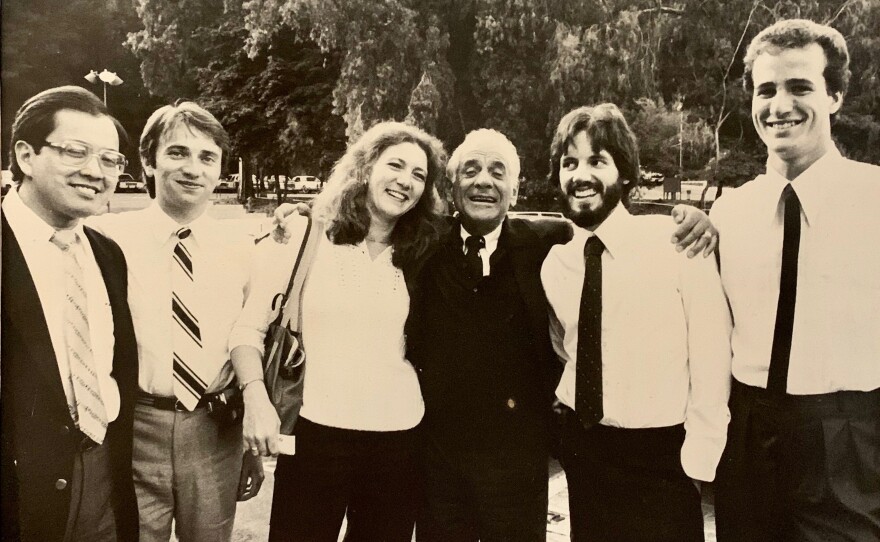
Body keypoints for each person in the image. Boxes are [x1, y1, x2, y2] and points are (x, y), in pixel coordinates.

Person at [405, 127, 721, 542]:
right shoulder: (423, 247)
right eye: (471, 170)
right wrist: (299, 217)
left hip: (541, 466)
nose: (484, 181)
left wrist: (701, 219)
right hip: (448, 463)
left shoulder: (548, 245)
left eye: (498, 172)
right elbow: (566, 344)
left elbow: (713, 351)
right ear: (451, 186)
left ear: (515, 193)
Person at [230, 121, 448, 541]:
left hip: (399, 440)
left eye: (419, 175)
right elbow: (248, 328)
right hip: (315, 435)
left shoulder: (427, 252)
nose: (405, 181)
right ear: (366, 167)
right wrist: (255, 396)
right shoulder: (305, 234)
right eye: (396, 165)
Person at [711, 19, 880, 541]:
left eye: (800, 86)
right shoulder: (728, 212)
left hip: (845, 436)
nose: (780, 105)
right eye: (766, 90)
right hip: (748, 434)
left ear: (834, 96)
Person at [540, 103, 732, 541]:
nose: (580, 175)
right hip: (585, 449)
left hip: (662, 458)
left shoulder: (675, 244)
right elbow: (564, 347)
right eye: (569, 164)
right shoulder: (556, 264)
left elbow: (712, 354)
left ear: (624, 173)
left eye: (597, 161)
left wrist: (699, 461)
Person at [86, 101, 266, 542]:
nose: (193, 168)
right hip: (134, 425)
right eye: (178, 153)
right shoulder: (106, 239)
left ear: (221, 169)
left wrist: (247, 438)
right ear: (149, 161)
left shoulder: (244, 247)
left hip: (214, 427)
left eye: (208, 157)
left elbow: (249, 335)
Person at [1, 86, 139, 541]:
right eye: (75, 152)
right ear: (26, 155)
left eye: (110, 160)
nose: (94, 172)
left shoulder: (107, 254)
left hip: (102, 476)